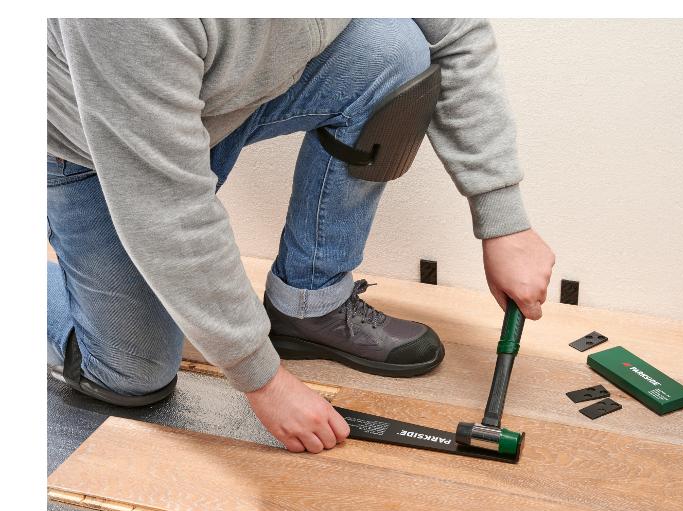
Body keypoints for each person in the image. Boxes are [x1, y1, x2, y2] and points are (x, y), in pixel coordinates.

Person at [47, 18, 555, 454]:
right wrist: (263, 381)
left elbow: (455, 32)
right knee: (132, 378)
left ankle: (309, 303)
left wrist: (503, 219)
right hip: (96, 146)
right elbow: (167, 208)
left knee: (394, 51)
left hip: (221, 96)